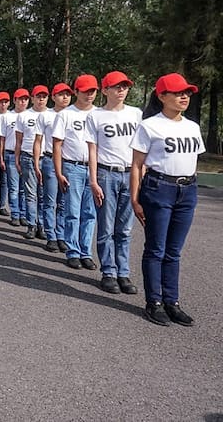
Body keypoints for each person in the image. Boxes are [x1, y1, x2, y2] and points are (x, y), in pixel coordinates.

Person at [130, 73, 204, 327]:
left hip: (187, 190)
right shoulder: (150, 125)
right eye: (178, 92)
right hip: (159, 188)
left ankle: (172, 302)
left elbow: (192, 162)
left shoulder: (192, 127)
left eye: (187, 93)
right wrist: (135, 198)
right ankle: (155, 302)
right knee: (156, 249)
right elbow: (137, 165)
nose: (184, 96)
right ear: (162, 96)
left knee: (174, 251)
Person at [87, 71, 142, 295]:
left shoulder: (136, 114)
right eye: (116, 87)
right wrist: (93, 180)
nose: (121, 90)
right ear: (105, 90)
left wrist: (142, 176)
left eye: (125, 86)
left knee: (125, 229)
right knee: (106, 227)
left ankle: (124, 273)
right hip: (107, 174)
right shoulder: (96, 116)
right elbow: (93, 150)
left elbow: (142, 150)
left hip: (131, 174)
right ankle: (108, 272)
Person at [53, 74, 98, 270]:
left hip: (96, 169)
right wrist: (59, 171)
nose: (89, 94)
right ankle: (72, 251)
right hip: (73, 167)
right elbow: (57, 145)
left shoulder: (99, 114)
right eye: (86, 91)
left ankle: (85, 252)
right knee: (72, 211)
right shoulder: (66, 114)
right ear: (76, 92)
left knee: (90, 212)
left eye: (93, 91)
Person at [33, 83, 72, 252]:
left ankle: (61, 234)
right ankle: (51, 235)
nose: (65, 97)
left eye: (68, 94)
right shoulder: (45, 116)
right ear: (53, 97)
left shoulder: (74, 115)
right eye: (61, 94)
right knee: (49, 200)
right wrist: (36, 162)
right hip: (49, 159)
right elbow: (38, 141)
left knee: (63, 202)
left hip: (68, 162)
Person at [16, 85, 49, 239]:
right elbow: (18, 140)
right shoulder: (23, 116)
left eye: (44, 96)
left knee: (44, 195)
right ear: (33, 98)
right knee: (31, 194)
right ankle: (31, 224)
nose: (41, 99)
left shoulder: (53, 115)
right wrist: (17, 159)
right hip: (28, 157)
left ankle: (42, 225)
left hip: (47, 159)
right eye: (38, 96)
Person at [0, 88, 29, 226]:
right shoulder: (7, 116)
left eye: (26, 99)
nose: (23, 102)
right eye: (20, 99)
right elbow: (2, 138)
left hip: (26, 155)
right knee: (14, 187)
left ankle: (24, 213)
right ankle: (15, 214)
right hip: (10, 154)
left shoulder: (31, 116)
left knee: (24, 188)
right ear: (15, 100)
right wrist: (1, 156)